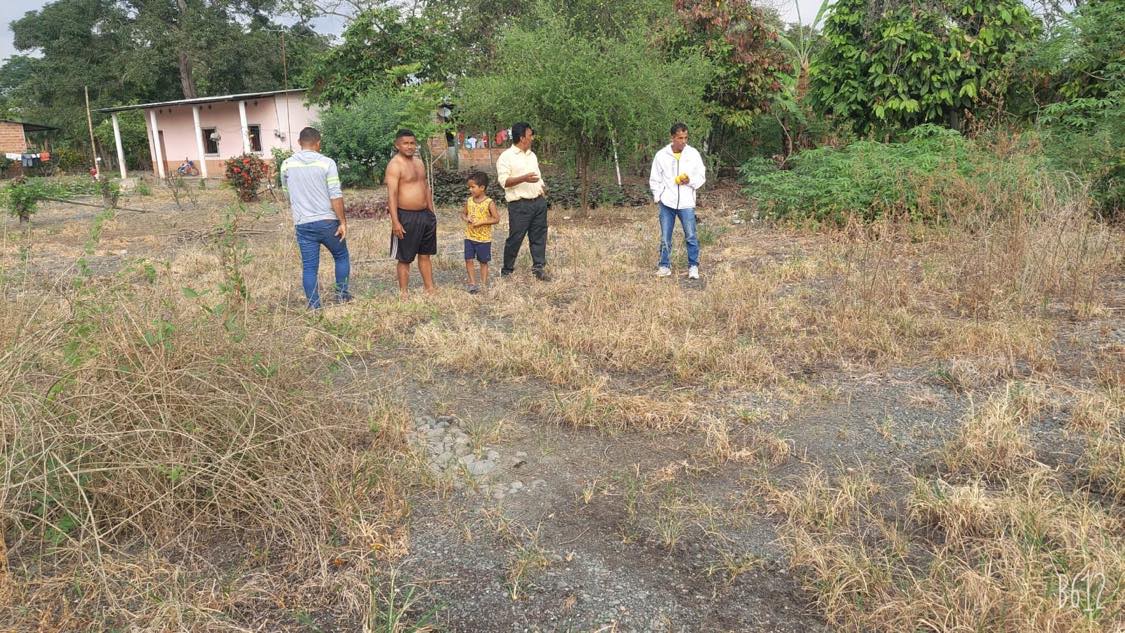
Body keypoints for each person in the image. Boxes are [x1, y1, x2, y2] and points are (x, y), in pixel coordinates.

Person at [280, 127, 350, 309]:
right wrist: (342, 222)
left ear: (299, 143)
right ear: (318, 143)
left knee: (309, 266)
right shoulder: (327, 163)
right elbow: (335, 194)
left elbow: (287, 193)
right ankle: (342, 295)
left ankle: (314, 305)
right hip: (328, 222)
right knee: (341, 256)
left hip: (303, 223)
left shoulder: (286, 165)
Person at [649, 122, 706, 280]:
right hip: (667, 203)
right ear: (672, 138)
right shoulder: (661, 155)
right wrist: (658, 197)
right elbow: (655, 178)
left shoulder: (693, 154)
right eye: (680, 138)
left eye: (686, 138)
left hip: (686, 203)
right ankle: (664, 266)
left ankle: (693, 266)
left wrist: (690, 180)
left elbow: (701, 176)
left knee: (691, 235)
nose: (683, 141)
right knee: (665, 237)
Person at [386, 128, 437, 298]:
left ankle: (430, 289)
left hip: (425, 215)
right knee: (405, 258)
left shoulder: (419, 163)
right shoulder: (395, 165)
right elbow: (392, 195)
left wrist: (431, 213)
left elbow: (426, 187)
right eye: (405, 143)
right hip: (405, 216)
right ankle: (404, 293)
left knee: (425, 254)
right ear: (397, 145)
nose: (409, 146)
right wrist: (395, 222)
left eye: (412, 143)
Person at [496, 121, 549, 280]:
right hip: (519, 205)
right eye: (530, 135)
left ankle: (538, 267)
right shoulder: (506, 157)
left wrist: (543, 189)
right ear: (522, 138)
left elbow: (538, 176)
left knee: (539, 236)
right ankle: (507, 270)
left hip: (538, 202)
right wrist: (524, 178)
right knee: (515, 238)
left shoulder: (532, 155)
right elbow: (504, 182)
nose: (532, 138)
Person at [462, 171, 500, 294]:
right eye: (469, 187)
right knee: (468, 259)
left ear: (482, 187)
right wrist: (467, 218)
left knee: (483, 262)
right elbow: (463, 214)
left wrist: (482, 222)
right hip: (469, 237)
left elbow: (496, 219)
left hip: (483, 239)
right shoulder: (469, 201)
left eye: (473, 187)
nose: (470, 190)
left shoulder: (489, 203)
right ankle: (472, 284)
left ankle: (483, 284)